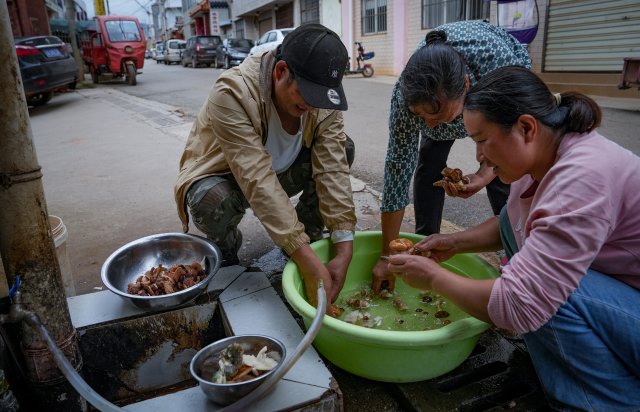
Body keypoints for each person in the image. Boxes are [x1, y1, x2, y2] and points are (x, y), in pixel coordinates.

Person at [386, 66, 640, 410]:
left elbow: (522, 303)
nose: (478, 157)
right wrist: (453, 242)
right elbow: (511, 223)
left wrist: (433, 278)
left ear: (526, 127)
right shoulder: (544, 157)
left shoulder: (583, 178)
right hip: (620, 293)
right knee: (519, 244)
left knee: (548, 294)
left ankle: (607, 402)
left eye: (481, 140)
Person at [174, 24, 356, 308]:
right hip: (231, 179)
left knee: (345, 148)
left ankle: (309, 238)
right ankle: (227, 256)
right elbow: (256, 179)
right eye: (306, 94)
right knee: (210, 199)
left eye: (319, 97)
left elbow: (332, 168)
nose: (313, 105)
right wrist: (303, 255)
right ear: (281, 71)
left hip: (284, 173)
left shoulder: (322, 98)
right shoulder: (232, 92)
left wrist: (344, 249)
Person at [373, 20, 531, 294]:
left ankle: (515, 246)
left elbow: (512, 143)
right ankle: (425, 241)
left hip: (497, 90)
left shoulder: (497, 66)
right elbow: (397, 171)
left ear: (467, 85)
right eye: (422, 117)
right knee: (429, 163)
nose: (431, 127)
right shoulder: (406, 98)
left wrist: (485, 174)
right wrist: (387, 254)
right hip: (444, 94)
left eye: (438, 117)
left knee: (504, 177)